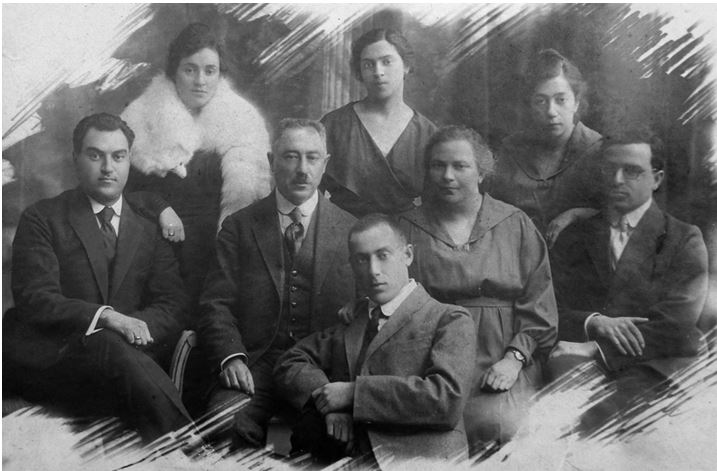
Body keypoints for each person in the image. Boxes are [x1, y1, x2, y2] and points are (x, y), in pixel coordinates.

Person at [2, 113, 193, 443]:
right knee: (107, 342)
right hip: (55, 363)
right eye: (95, 155)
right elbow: (37, 299)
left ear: (129, 160)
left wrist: (131, 330)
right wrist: (107, 318)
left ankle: (183, 450)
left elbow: (171, 303)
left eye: (118, 156)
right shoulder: (42, 218)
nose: (108, 168)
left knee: (112, 347)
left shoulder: (148, 226)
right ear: (76, 158)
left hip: (125, 366)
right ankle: (193, 448)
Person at [197, 119, 356, 448]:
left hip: (321, 369)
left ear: (325, 163)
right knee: (224, 423)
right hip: (256, 363)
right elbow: (216, 303)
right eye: (291, 156)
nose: (302, 170)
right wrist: (231, 356)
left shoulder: (351, 230)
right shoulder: (240, 226)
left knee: (330, 438)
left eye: (312, 158)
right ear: (271, 161)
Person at [397, 126, 558, 451]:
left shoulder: (514, 223)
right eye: (438, 165)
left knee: (501, 428)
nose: (447, 176)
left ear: (482, 172)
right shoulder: (407, 227)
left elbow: (539, 304)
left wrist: (514, 359)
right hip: (431, 357)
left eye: (460, 166)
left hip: (501, 354)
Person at [274, 214, 476, 466]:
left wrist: (353, 394)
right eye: (362, 259)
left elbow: (446, 399)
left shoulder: (448, 319)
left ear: (408, 255)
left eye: (383, 255)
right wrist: (329, 405)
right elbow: (290, 362)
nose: (373, 271)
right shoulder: (353, 322)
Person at [548, 126, 708, 434]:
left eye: (632, 171)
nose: (617, 180)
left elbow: (676, 326)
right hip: (578, 361)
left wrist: (597, 348)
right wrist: (593, 322)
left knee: (608, 423)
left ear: (657, 179)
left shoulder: (683, 238)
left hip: (657, 366)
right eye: (610, 169)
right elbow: (553, 307)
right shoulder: (576, 235)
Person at [122, 23, 272, 310]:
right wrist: (160, 208)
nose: (200, 81)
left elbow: (253, 202)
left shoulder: (242, 121)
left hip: (219, 257)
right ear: (174, 72)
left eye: (209, 71)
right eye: (189, 70)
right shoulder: (141, 117)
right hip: (157, 256)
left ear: (220, 74)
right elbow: (123, 194)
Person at [486, 49, 603, 245]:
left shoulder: (598, 150)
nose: (551, 111)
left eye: (561, 100)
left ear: (576, 102)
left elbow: (619, 213)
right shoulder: (511, 149)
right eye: (540, 101)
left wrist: (575, 214)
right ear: (530, 105)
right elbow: (492, 209)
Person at [320, 28, 437, 217]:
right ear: (359, 71)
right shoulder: (334, 125)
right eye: (368, 65)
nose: (378, 72)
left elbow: (438, 205)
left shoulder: (427, 134)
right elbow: (310, 193)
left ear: (406, 66)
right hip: (341, 229)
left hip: (405, 231)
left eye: (387, 62)